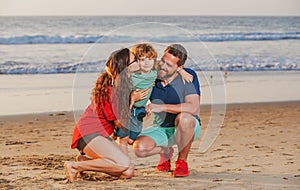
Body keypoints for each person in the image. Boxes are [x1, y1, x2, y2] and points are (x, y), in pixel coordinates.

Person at [64, 48, 141, 182]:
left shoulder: (120, 84)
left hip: (100, 136)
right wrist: (132, 101)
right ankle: (75, 166)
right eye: (135, 59)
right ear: (126, 67)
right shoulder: (111, 89)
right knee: (123, 164)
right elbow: (121, 124)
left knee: (127, 172)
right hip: (88, 134)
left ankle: (84, 162)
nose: (139, 61)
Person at [133, 44, 201, 177]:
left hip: (187, 127)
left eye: (169, 65)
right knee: (139, 149)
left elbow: (193, 107)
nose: (163, 66)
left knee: (185, 118)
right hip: (161, 128)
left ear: (179, 67)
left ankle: (182, 162)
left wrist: (162, 107)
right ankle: (165, 151)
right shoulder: (152, 74)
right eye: (163, 61)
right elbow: (134, 65)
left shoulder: (188, 76)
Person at [114, 43, 193, 155]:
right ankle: (121, 161)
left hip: (139, 112)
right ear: (136, 61)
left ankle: (165, 151)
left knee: (131, 140)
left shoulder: (154, 72)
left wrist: (181, 71)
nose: (146, 62)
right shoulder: (131, 74)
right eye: (142, 59)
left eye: (150, 59)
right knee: (122, 138)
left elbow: (167, 65)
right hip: (127, 109)